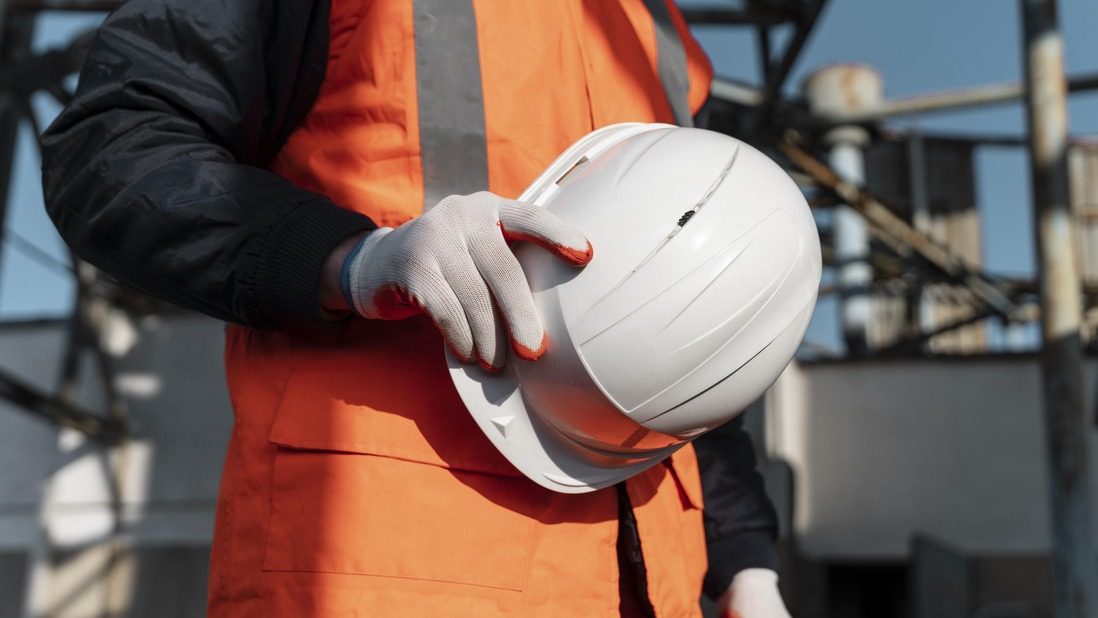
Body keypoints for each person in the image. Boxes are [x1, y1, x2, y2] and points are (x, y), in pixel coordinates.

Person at [41, 1, 790, 616]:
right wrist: (349, 260)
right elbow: (114, 149)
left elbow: (684, 333)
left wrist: (745, 561)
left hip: (648, 587)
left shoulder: (652, 28)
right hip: (383, 568)